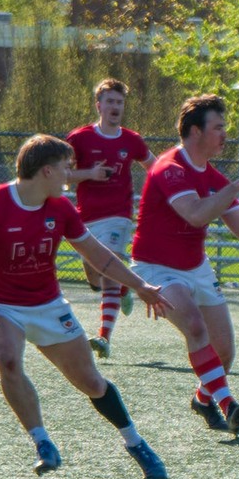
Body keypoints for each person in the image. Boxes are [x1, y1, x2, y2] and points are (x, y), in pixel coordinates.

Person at [0, 135, 171, 479]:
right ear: (46, 171)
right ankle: (43, 443)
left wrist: (141, 286)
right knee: (8, 356)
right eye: (66, 169)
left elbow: (100, 256)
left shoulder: (60, 209)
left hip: (48, 305)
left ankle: (135, 442)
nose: (70, 177)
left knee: (92, 383)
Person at [129, 94, 239, 436]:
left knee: (224, 351)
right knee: (196, 328)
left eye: (225, 127)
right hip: (155, 268)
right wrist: (236, 187)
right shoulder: (169, 168)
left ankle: (202, 398)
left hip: (195, 267)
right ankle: (229, 406)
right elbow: (196, 214)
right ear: (195, 132)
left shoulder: (214, 177)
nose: (225, 134)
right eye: (218, 127)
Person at [65, 77, 154, 359]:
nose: (115, 107)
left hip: (118, 216)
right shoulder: (79, 138)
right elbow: (62, 175)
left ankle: (104, 337)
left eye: (120, 102)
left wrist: (172, 191)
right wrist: (89, 174)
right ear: (99, 105)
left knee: (108, 265)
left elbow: (156, 167)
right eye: (110, 101)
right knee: (95, 272)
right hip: (86, 218)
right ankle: (125, 286)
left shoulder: (132, 140)